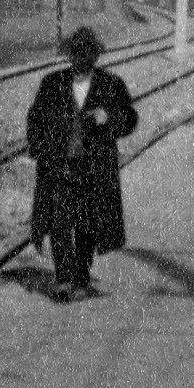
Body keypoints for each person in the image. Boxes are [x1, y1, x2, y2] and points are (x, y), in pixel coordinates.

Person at [24, 26, 140, 300]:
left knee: (88, 225)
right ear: (69, 57)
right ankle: (64, 278)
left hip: (93, 169)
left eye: (87, 55)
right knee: (59, 223)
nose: (81, 60)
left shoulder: (112, 85)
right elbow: (35, 121)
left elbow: (130, 119)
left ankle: (81, 278)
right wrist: (41, 151)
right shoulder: (52, 84)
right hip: (61, 167)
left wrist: (109, 118)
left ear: (96, 57)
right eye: (75, 54)